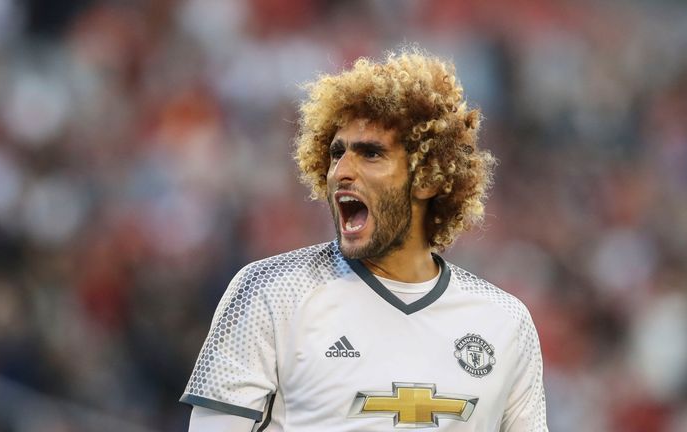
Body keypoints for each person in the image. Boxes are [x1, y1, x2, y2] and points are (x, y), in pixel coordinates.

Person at [180, 48, 548, 431]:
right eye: (337, 153)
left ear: (429, 178)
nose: (341, 171)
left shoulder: (506, 322)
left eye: (371, 153)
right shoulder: (268, 293)